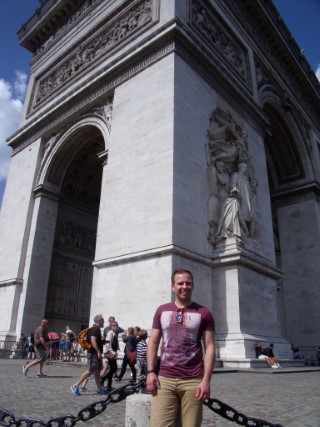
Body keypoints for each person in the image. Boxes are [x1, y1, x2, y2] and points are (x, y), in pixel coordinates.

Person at [146, 268, 216, 427]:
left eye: (188, 283)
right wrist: (150, 372)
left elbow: (210, 347)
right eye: (180, 283)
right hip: (164, 379)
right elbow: (154, 342)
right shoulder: (161, 310)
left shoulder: (204, 313)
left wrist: (206, 380)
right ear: (173, 287)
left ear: (193, 286)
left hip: (193, 381)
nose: (184, 286)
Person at [70, 314, 108, 396]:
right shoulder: (94, 329)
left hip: (96, 353)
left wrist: (103, 342)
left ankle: (99, 389)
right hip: (93, 353)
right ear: (99, 320)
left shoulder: (96, 329)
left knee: (97, 371)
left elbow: (96, 341)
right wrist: (98, 351)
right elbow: (93, 341)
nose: (104, 322)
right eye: (102, 320)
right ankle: (75, 385)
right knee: (91, 370)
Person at [101, 322, 119, 391]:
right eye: (114, 325)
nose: (115, 326)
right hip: (110, 354)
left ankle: (108, 385)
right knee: (113, 369)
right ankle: (103, 379)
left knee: (112, 369)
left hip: (112, 353)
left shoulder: (114, 333)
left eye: (116, 325)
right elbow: (108, 344)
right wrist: (113, 353)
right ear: (111, 326)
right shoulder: (110, 333)